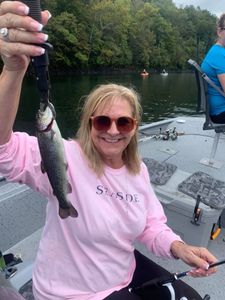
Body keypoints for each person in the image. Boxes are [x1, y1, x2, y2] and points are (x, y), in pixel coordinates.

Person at [0, 1, 218, 300]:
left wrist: (180, 247)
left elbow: (151, 225)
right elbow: (4, 150)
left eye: (124, 122)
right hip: (71, 293)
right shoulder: (66, 155)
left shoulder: (137, 170)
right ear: (89, 124)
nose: (113, 130)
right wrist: (13, 71)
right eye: (103, 121)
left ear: (134, 126)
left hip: (123, 273)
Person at [201, 13, 225, 123]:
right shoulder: (219, 55)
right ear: (219, 32)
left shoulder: (216, 51)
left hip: (216, 110)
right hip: (221, 112)